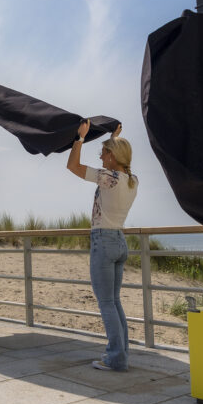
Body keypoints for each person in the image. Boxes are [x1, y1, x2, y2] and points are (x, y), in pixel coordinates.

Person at [66, 120, 138, 371]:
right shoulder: (131, 180)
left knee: (106, 302)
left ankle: (116, 358)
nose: (101, 156)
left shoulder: (108, 178)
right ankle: (121, 354)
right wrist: (113, 137)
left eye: (104, 152)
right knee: (114, 301)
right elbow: (117, 161)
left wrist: (80, 138)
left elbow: (72, 165)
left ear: (112, 156)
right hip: (119, 240)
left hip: (104, 242)